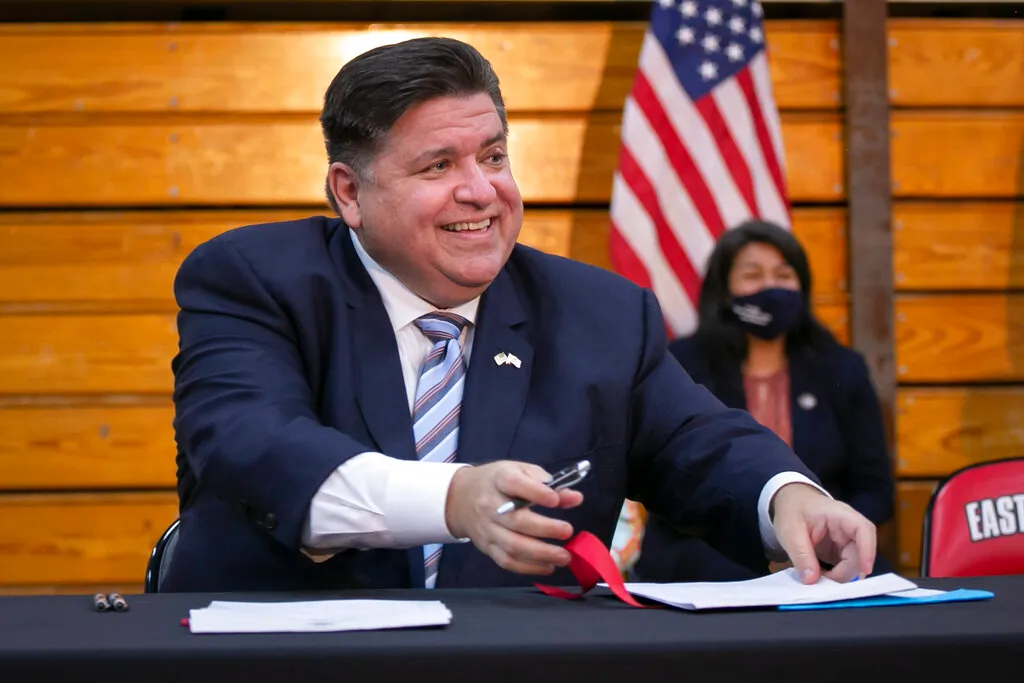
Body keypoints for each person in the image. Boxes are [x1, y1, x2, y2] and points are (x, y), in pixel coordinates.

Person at [162, 36, 877, 593]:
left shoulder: (601, 312)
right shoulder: (256, 280)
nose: (482, 191)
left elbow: (698, 441)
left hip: (519, 661)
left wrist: (785, 497)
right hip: (286, 656)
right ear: (349, 193)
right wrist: (454, 498)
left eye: (494, 156)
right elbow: (253, 444)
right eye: (438, 166)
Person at [633, 220, 896, 583]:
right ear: (724, 290)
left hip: (824, 556)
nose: (771, 287)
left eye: (784, 275)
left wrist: (824, 533)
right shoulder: (682, 363)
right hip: (703, 557)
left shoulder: (841, 369)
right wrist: (770, 547)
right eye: (753, 275)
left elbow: (875, 489)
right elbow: (668, 481)